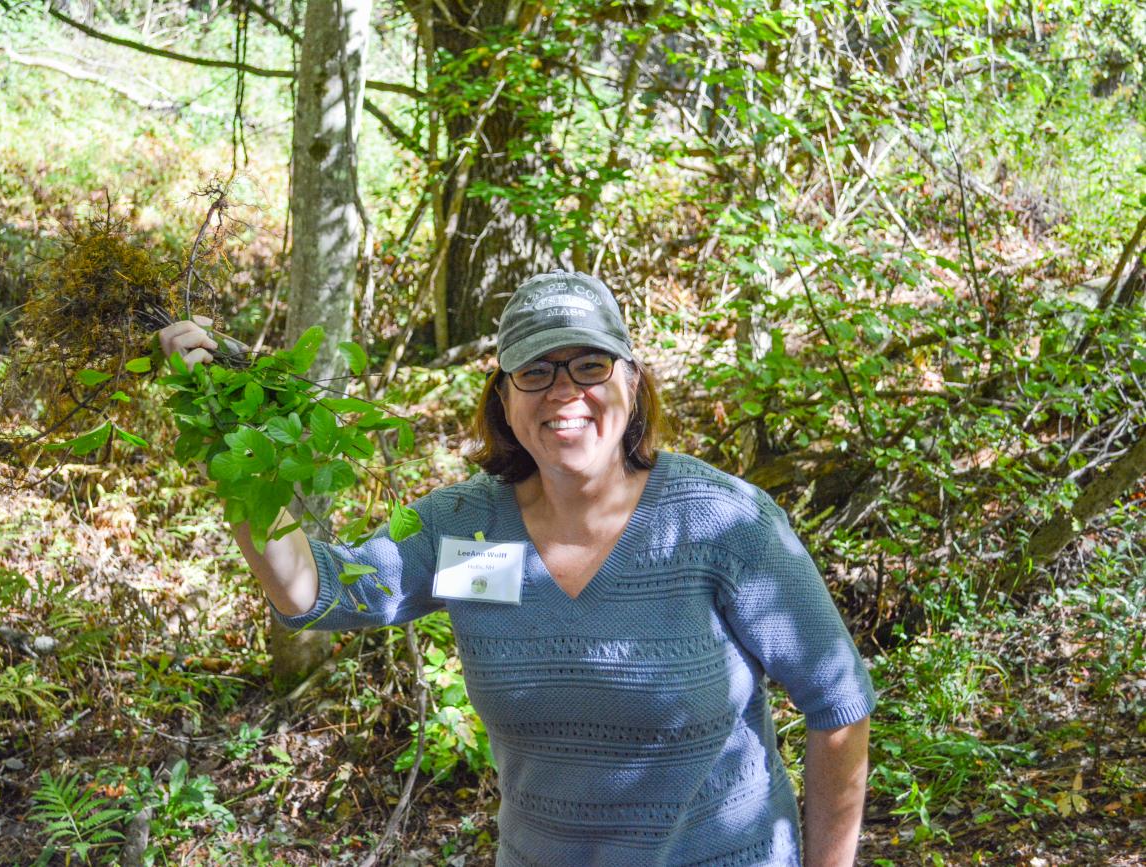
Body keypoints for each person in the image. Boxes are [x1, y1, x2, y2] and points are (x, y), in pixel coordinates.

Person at [159, 270, 876, 867]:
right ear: (504, 398)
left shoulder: (724, 521)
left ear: (633, 380)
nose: (565, 391)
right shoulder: (458, 528)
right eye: (536, 370)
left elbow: (838, 703)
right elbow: (323, 587)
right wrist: (232, 438)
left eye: (589, 364)